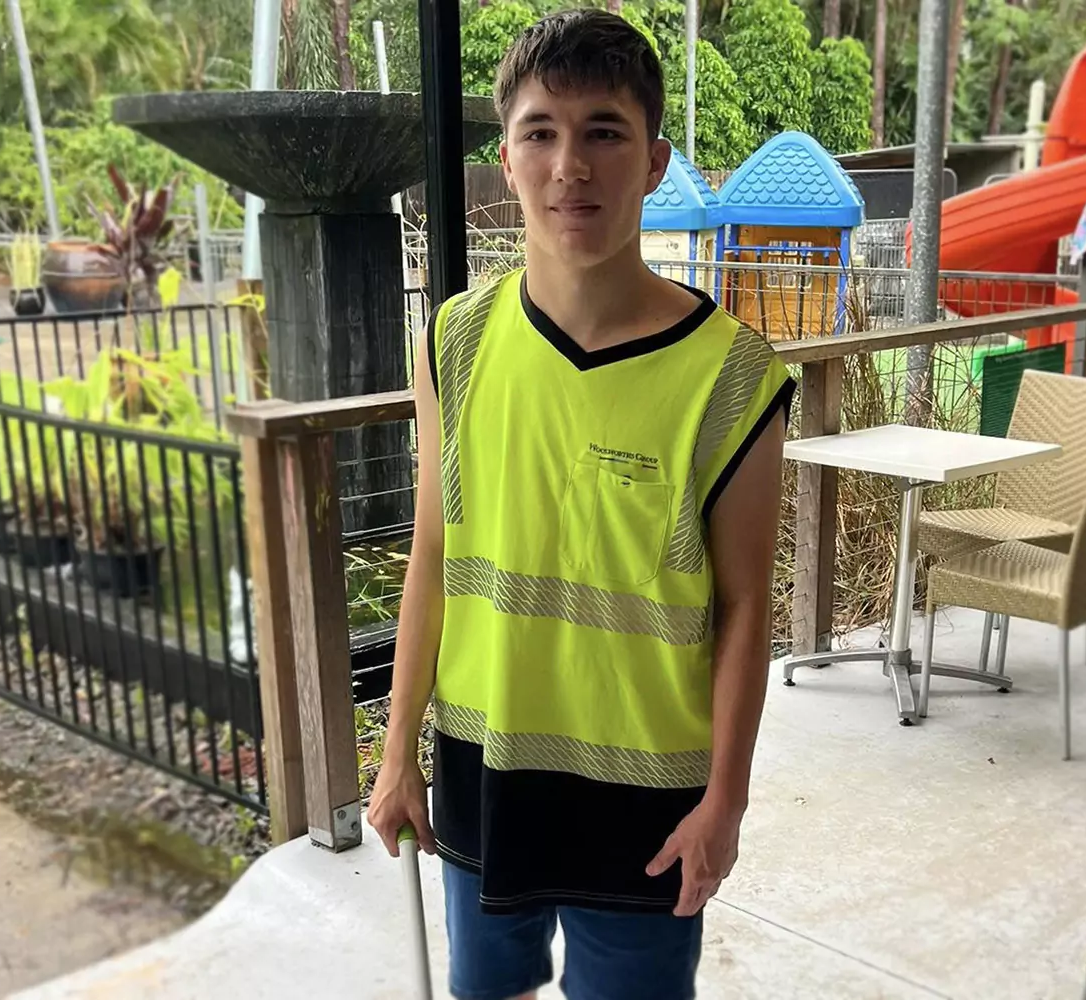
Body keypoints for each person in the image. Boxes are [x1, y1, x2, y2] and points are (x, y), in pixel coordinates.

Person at [367, 9, 794, 999]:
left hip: (647, 795)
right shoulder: (455, 342)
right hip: (484, 770)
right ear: (507, 157)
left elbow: (743, 608)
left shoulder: (732, 375)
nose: (572, 166)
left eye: (605, 131)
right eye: (541, 132)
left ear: (654, 160)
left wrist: (725, 798)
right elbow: (432, 557)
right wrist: (397, 756)